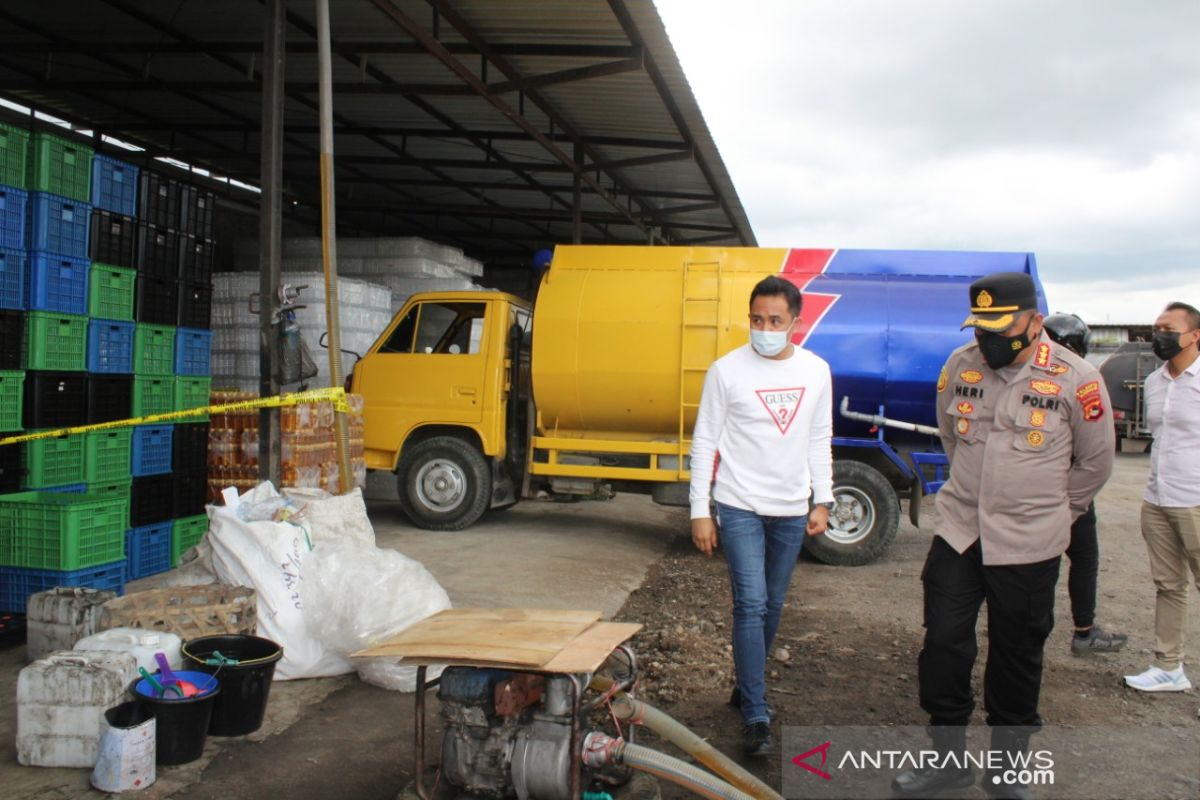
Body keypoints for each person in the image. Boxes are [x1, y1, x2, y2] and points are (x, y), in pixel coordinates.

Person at [892, 273, 1114, 800]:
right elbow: (951, 436)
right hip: (961, 532)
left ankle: (1007, 772)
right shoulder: (960, 364)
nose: (989, 339)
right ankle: (947, 762)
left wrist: (1059, 513)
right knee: (943, 644)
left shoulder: (1074, 379)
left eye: (1002, 326)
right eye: (981, 326)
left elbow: (1096, 461)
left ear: (1035, 321)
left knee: (1017, 655)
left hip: (1029, 541)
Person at [688, 275, 833, 757]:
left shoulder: (816, 371)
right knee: (749, 604)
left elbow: (818, 438)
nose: (764, 328)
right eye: (756, 319)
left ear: (796, 322)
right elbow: (705, 440)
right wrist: (700, 509)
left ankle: (745, 682)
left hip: (791, 508)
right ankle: (756, 710)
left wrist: (823, 499)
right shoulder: (726, 371)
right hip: (739, 502)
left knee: (772, 605)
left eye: (775, 320)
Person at [1124, 301, 1200, 692]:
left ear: (1194, 335)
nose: (1159, 336)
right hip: (1158, 498)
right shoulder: (1154, 382)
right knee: (1169, 586)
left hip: (1196, 499)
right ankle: (1169, 667)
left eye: (1168, 328)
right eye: (1156, 328)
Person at [1041, 313, 1127, 653]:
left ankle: (1025, 625)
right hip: (1066, 491)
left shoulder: (1024, 377)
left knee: (1035, 561)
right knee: (1082, 557)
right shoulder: (1081, 379)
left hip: (1039, 489)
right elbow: (1097, 453)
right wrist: (1075, 503)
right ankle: (1083, 630)